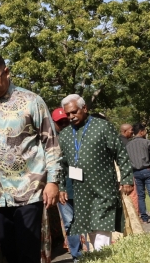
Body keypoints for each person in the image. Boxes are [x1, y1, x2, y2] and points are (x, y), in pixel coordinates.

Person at [0, 52, 63, 263]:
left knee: (29, 255)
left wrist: (53, 181)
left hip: (29, 190)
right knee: (4, 255)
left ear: (7, 72)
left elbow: (50, 142)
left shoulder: (32, 101)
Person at [57, 94, 134, 252]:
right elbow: (62, 164)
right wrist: (62, 187)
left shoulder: (102, 127)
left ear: (84, 108)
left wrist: (126, 178)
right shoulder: (65, 135)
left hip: (103, 188)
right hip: (81, 192)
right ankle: (98, 261)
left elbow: (121, 153)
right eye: (68, 114)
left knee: (101, 228)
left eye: (74, 112)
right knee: (91, 229)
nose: (71, 117)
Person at [126, 123, 150, 224]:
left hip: (136, 172)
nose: (146, 133)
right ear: (141, 132)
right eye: (145, 131)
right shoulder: (148, 143)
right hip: (148, 170)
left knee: (140, 196)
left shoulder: (128, 145)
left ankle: (144, 218)